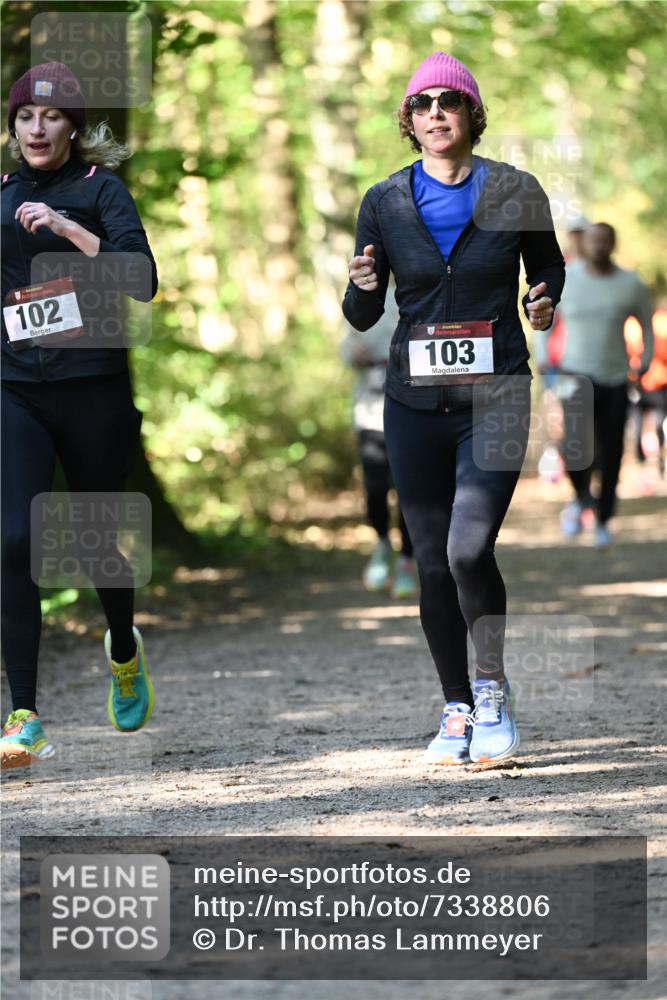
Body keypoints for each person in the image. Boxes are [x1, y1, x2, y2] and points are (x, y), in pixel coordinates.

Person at [343, 52, 565, 765]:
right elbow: (359, 312)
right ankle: (454, 708)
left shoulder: (515, 189)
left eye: (449, 100)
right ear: (408, 122)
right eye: (421, 104)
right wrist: (360, 283)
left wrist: (542, 299)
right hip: (411, 401)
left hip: (495, 390)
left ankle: (492, 687)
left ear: (471, 115)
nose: (435, 112)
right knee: (432, 563)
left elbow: (548, 265)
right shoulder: (383, 201)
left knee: (468, 548)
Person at [1, 63, 158, 769]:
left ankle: (122, 647)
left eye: (52, 117)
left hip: (91, 385)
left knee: (96, 543)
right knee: (11, 540)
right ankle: (24, 714)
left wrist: (68, 228)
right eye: (25, 117)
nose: (38, 128)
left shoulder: (101, 191)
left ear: (72, 126)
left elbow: (143, 280)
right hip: (15, 390)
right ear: (13, 128)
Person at [545, 223, 653, 547]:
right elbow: (545, 320)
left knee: (612, 450)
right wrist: (544, 356)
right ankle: (581, 498)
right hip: (574, 375)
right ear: (586, 244)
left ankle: (604, 518)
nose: (600, 245)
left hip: (616, 377)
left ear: (613, 244)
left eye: (606, 240)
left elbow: (647, 325)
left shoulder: (630, 284)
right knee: (574, 448)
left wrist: (644, 362)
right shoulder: (567, 280)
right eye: (594, 240)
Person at [340, 283, 418, 599]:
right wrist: (352, 354)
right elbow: (345, 345)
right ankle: (382, 543)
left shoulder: (419, 289)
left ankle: (407, 564)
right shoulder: (361, 296)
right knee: (374, 488)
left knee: (408, 492)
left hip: (412, 409)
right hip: (369, 410)